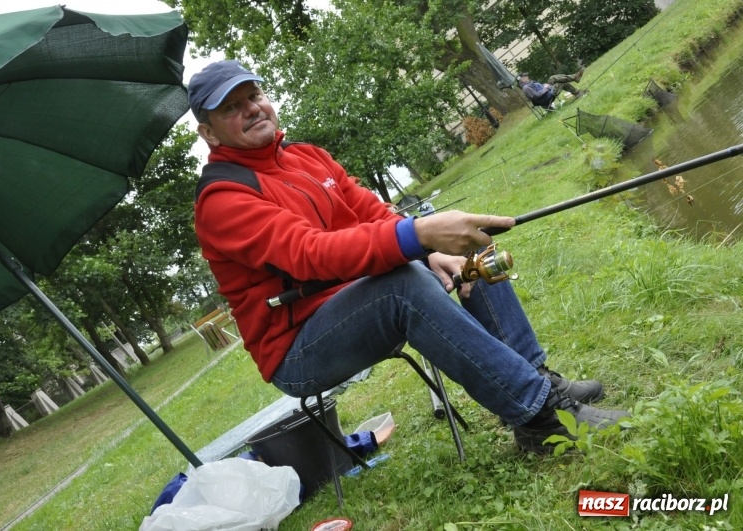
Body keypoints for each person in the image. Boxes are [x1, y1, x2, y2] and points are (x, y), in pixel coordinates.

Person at [188, 60, 627, 453]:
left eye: (254, 95)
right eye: (231, 108)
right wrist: (418, 238)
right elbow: (311, 255)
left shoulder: (307, 157)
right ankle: (539, 417)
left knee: (471, 241)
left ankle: (533, 377)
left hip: (359, 297)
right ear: (208, 132)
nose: (251, 109)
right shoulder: (222, 198)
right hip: (300, 347)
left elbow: (372, 213)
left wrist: (430, 251)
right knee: (402, 288)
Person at [517, 68, 586, 110]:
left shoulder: (528, 84)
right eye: (525, 76)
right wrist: (545, 88)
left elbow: (538, 89)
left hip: (547, 93)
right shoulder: (526, 88)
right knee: (559, 82)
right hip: (546, 98)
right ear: (522, 79)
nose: (527, 77)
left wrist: (544, 85)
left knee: (553, 78)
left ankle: (575, 79)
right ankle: (576, 82)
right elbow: (536, 96)